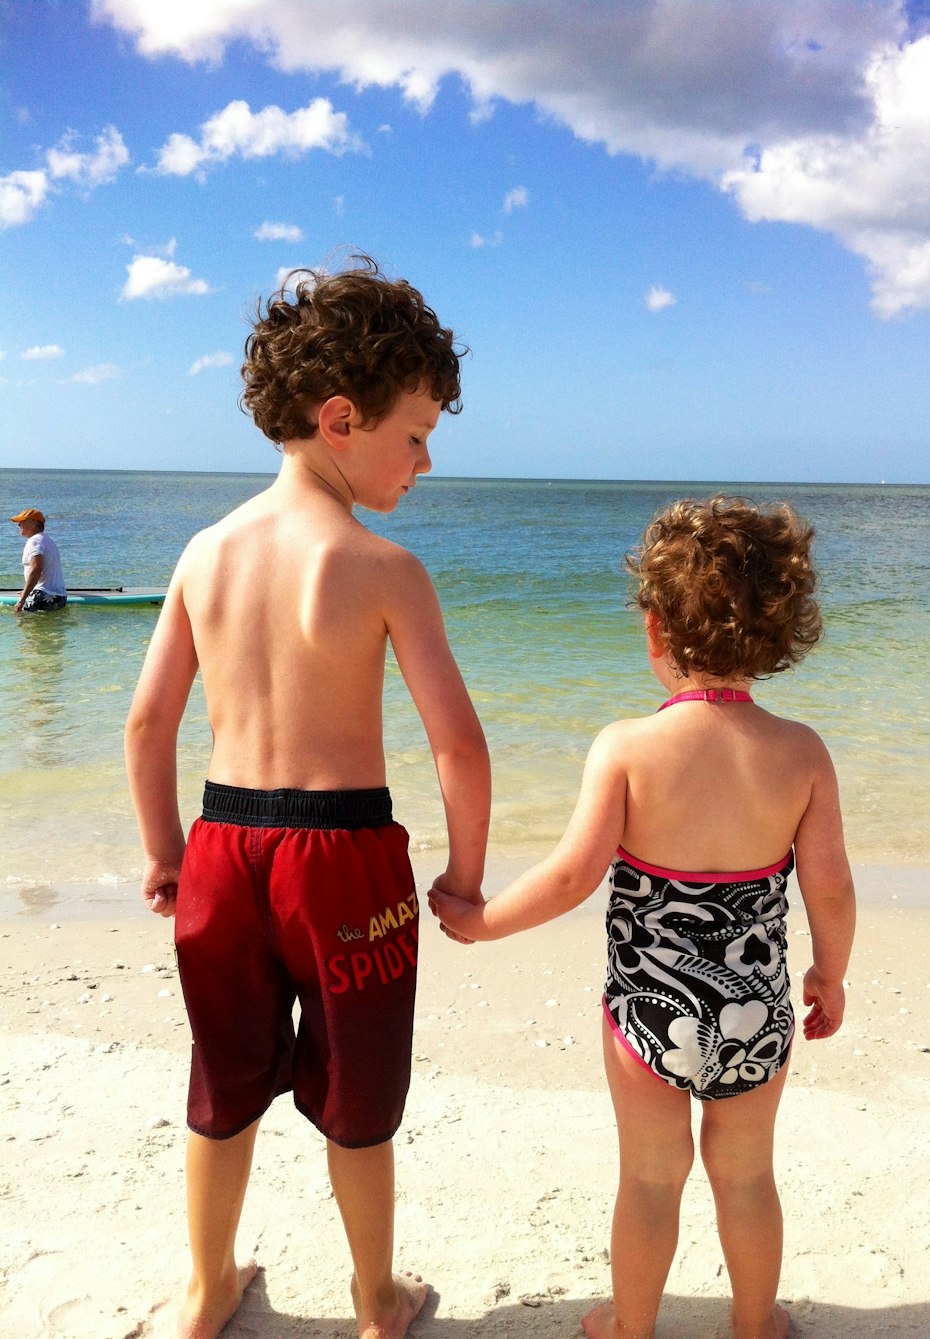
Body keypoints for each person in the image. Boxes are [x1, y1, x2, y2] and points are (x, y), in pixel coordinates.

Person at [124, 256, 491, 1339]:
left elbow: (147, 724)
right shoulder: (384, 568)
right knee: (358, 1102)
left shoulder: (204, 552)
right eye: (414, 433)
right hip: (342, 863)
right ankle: (377, 1300)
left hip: (226, 847)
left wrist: (164, 851)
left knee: (223, 1081)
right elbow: (458, 747)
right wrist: (464, 879)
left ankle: (203, 1289)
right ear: (341, 417)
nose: (425, 460)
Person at [431, 496, 855, 1339]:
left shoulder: (624, 747)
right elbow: (832, 888)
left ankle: (631, 1328)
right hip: (756, 1011)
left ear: (655, 629)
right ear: (778, 632)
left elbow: (568, 876)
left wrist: (483, 921)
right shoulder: (802, 752)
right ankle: (753, 1323)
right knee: (746, 1177)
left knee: (651, 1181)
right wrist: (829, 972)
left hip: (645, 1013)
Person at [10, 508, 67, 612]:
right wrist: (26, 591)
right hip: (60, 598)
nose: (19, 525)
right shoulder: (49, 541)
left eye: (22, 522)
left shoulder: (34, 541)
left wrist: (22, 599)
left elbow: (36, 569)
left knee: (20, 620)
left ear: (33, 523)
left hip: (42, 595)